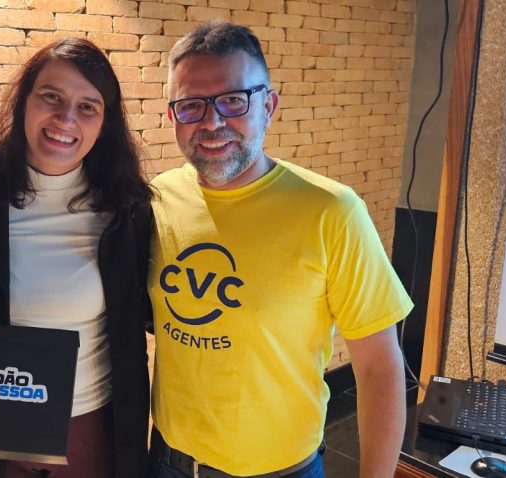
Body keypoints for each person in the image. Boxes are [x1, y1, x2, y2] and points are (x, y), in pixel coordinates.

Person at [148, 21, 413, 478]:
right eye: (191, 105)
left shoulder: (332, 211)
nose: (212, 122)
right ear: (173, 116)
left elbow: (378, 370)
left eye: (233, 100)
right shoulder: (160, 198)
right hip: (169, 461)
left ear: (268, 105)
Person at [0, 38, 154, 478]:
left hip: (88, 429)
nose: (65, 119)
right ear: (24, 100)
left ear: (105, 124)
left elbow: (150, 311)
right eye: (51, 97)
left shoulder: (126, 205)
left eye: (88, 107)